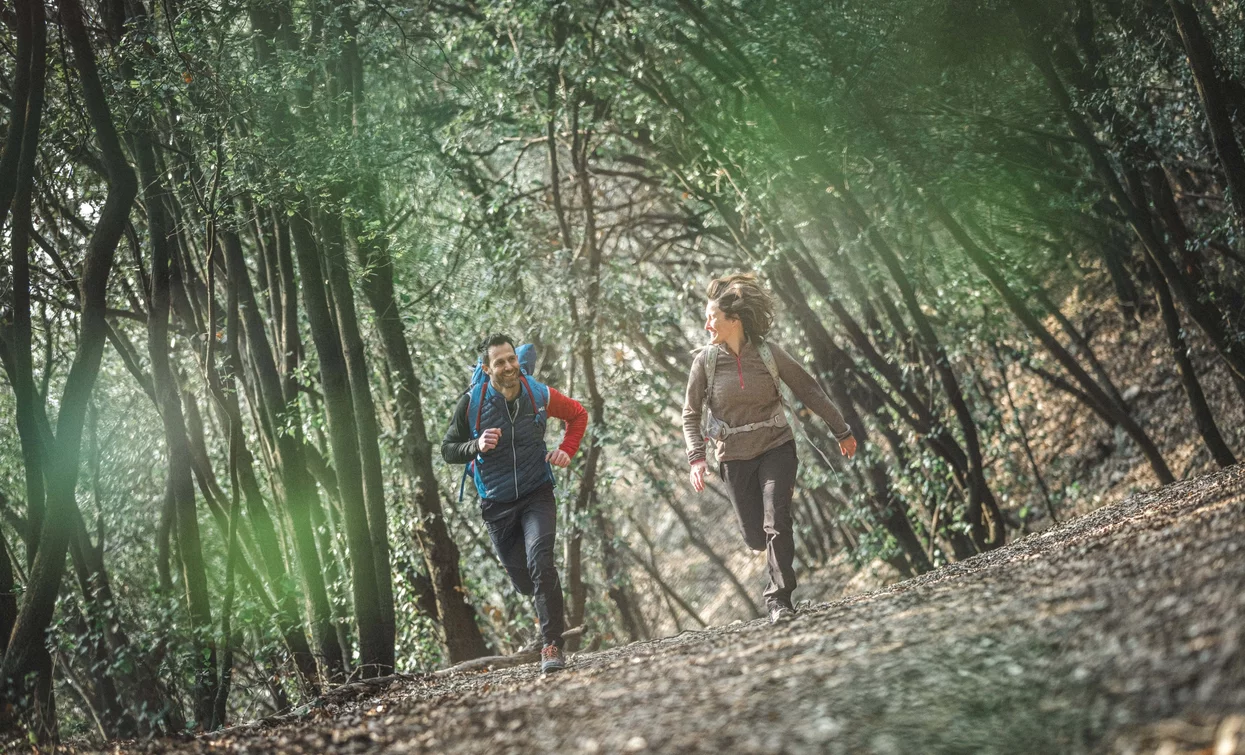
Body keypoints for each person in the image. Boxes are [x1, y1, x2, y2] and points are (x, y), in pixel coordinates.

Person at [682, 273, 857, 624]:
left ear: (734, 320)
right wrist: (697, 457)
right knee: (756, 536)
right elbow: (690, 414)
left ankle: (779, 599)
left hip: (776, 446)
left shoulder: (768, 353)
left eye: (712, 318)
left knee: (777, 518)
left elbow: (809, 390)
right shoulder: (706, 362)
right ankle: (772, 570)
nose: (706, 325)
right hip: (733, 457)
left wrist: (842, 430)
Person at [442, 334, 587, 672]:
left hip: (537, 492)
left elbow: (578, 414)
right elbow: (448, 449)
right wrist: (476, 445)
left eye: (511, 359)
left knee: (541, 561)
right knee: (525, 581)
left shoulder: (538, 394)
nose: (509, 367)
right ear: (486, 368)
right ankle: (546, 615)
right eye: (500, 362)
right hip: (497, 503)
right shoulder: (472, 403)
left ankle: (551, 645)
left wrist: (566, 450)